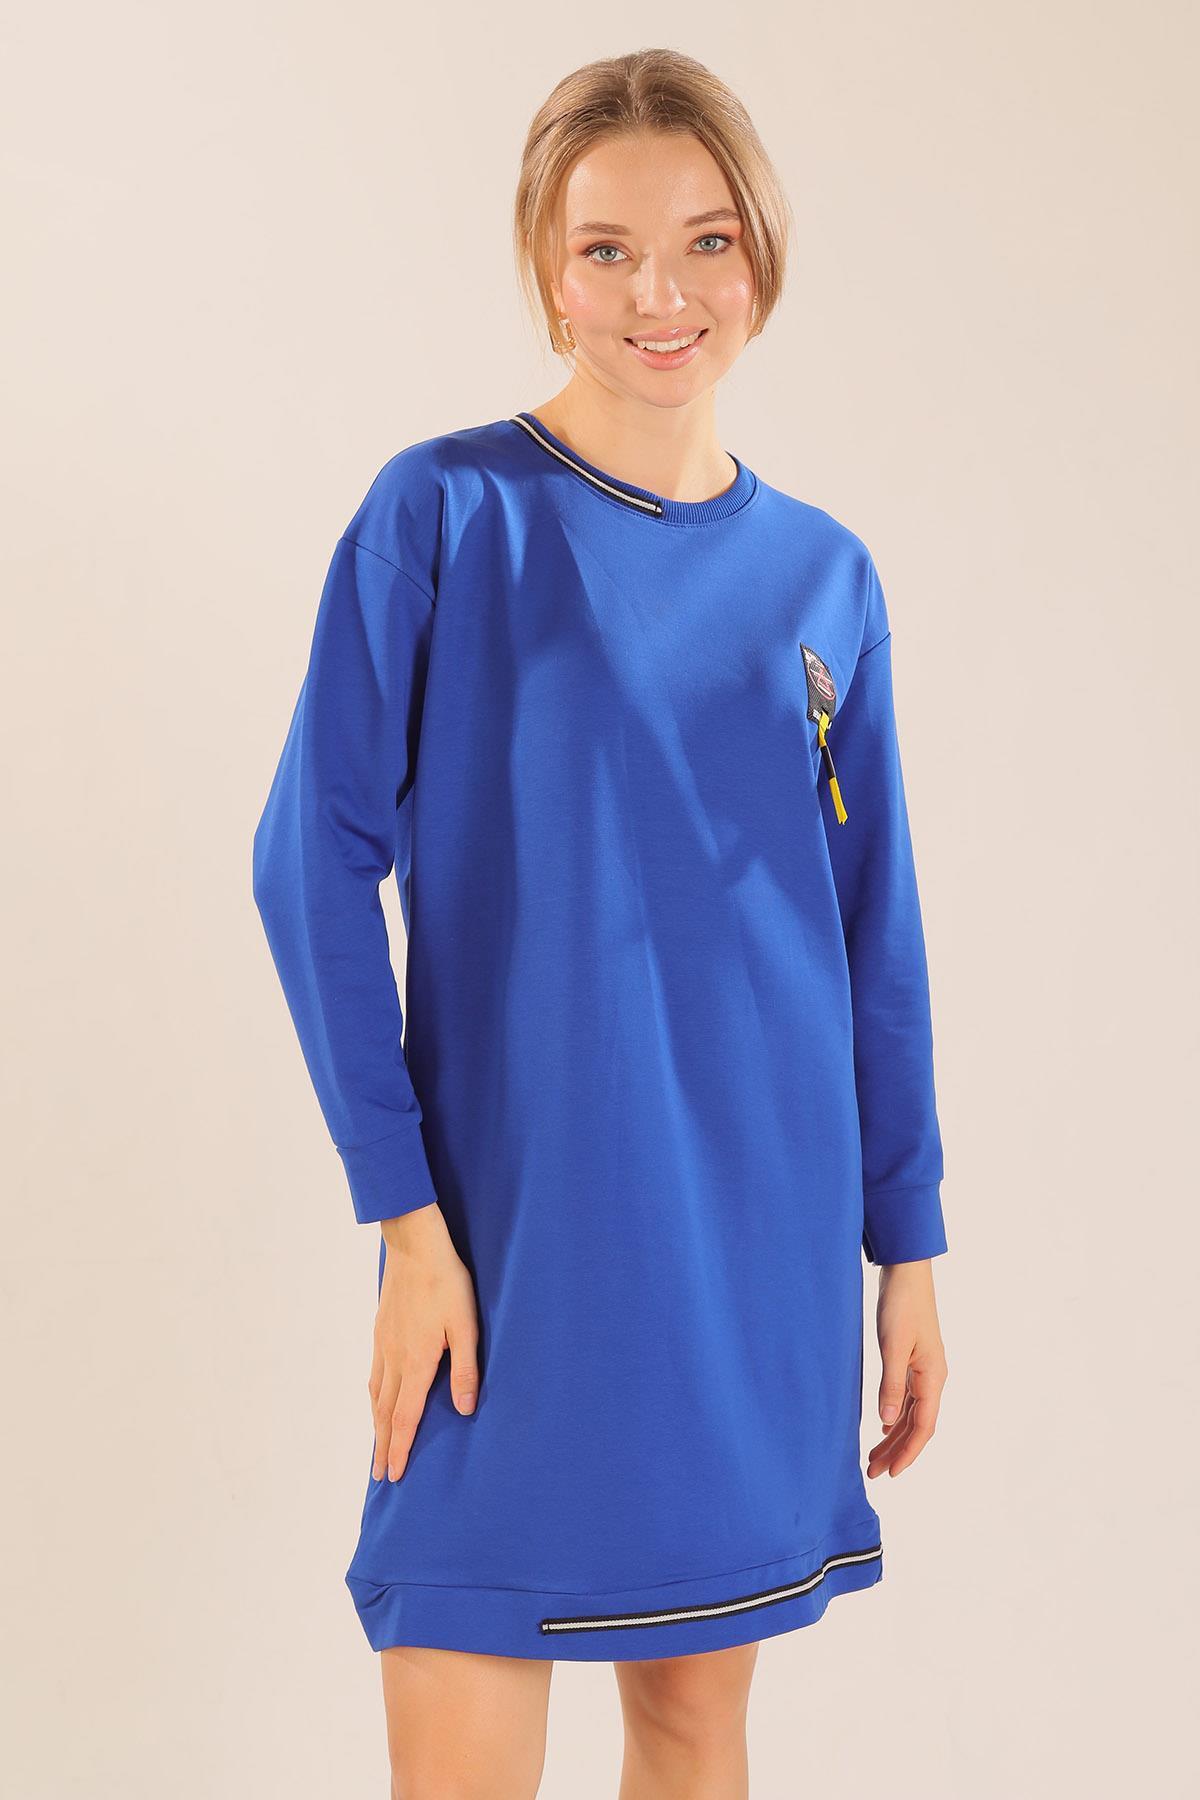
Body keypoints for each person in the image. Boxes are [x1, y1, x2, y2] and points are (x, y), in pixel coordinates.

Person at [252, 46, 950, 1800]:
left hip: (755, 1249)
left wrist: (910, 1250)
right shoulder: (443, 516)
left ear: (762, 255)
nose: (662, 294)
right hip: (503, 1251)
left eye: (708, 242)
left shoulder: (826, 579)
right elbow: (305, 862)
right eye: (608, 248)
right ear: (544, 269)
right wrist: (405, 1216)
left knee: (696, 1733)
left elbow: (874, 936)